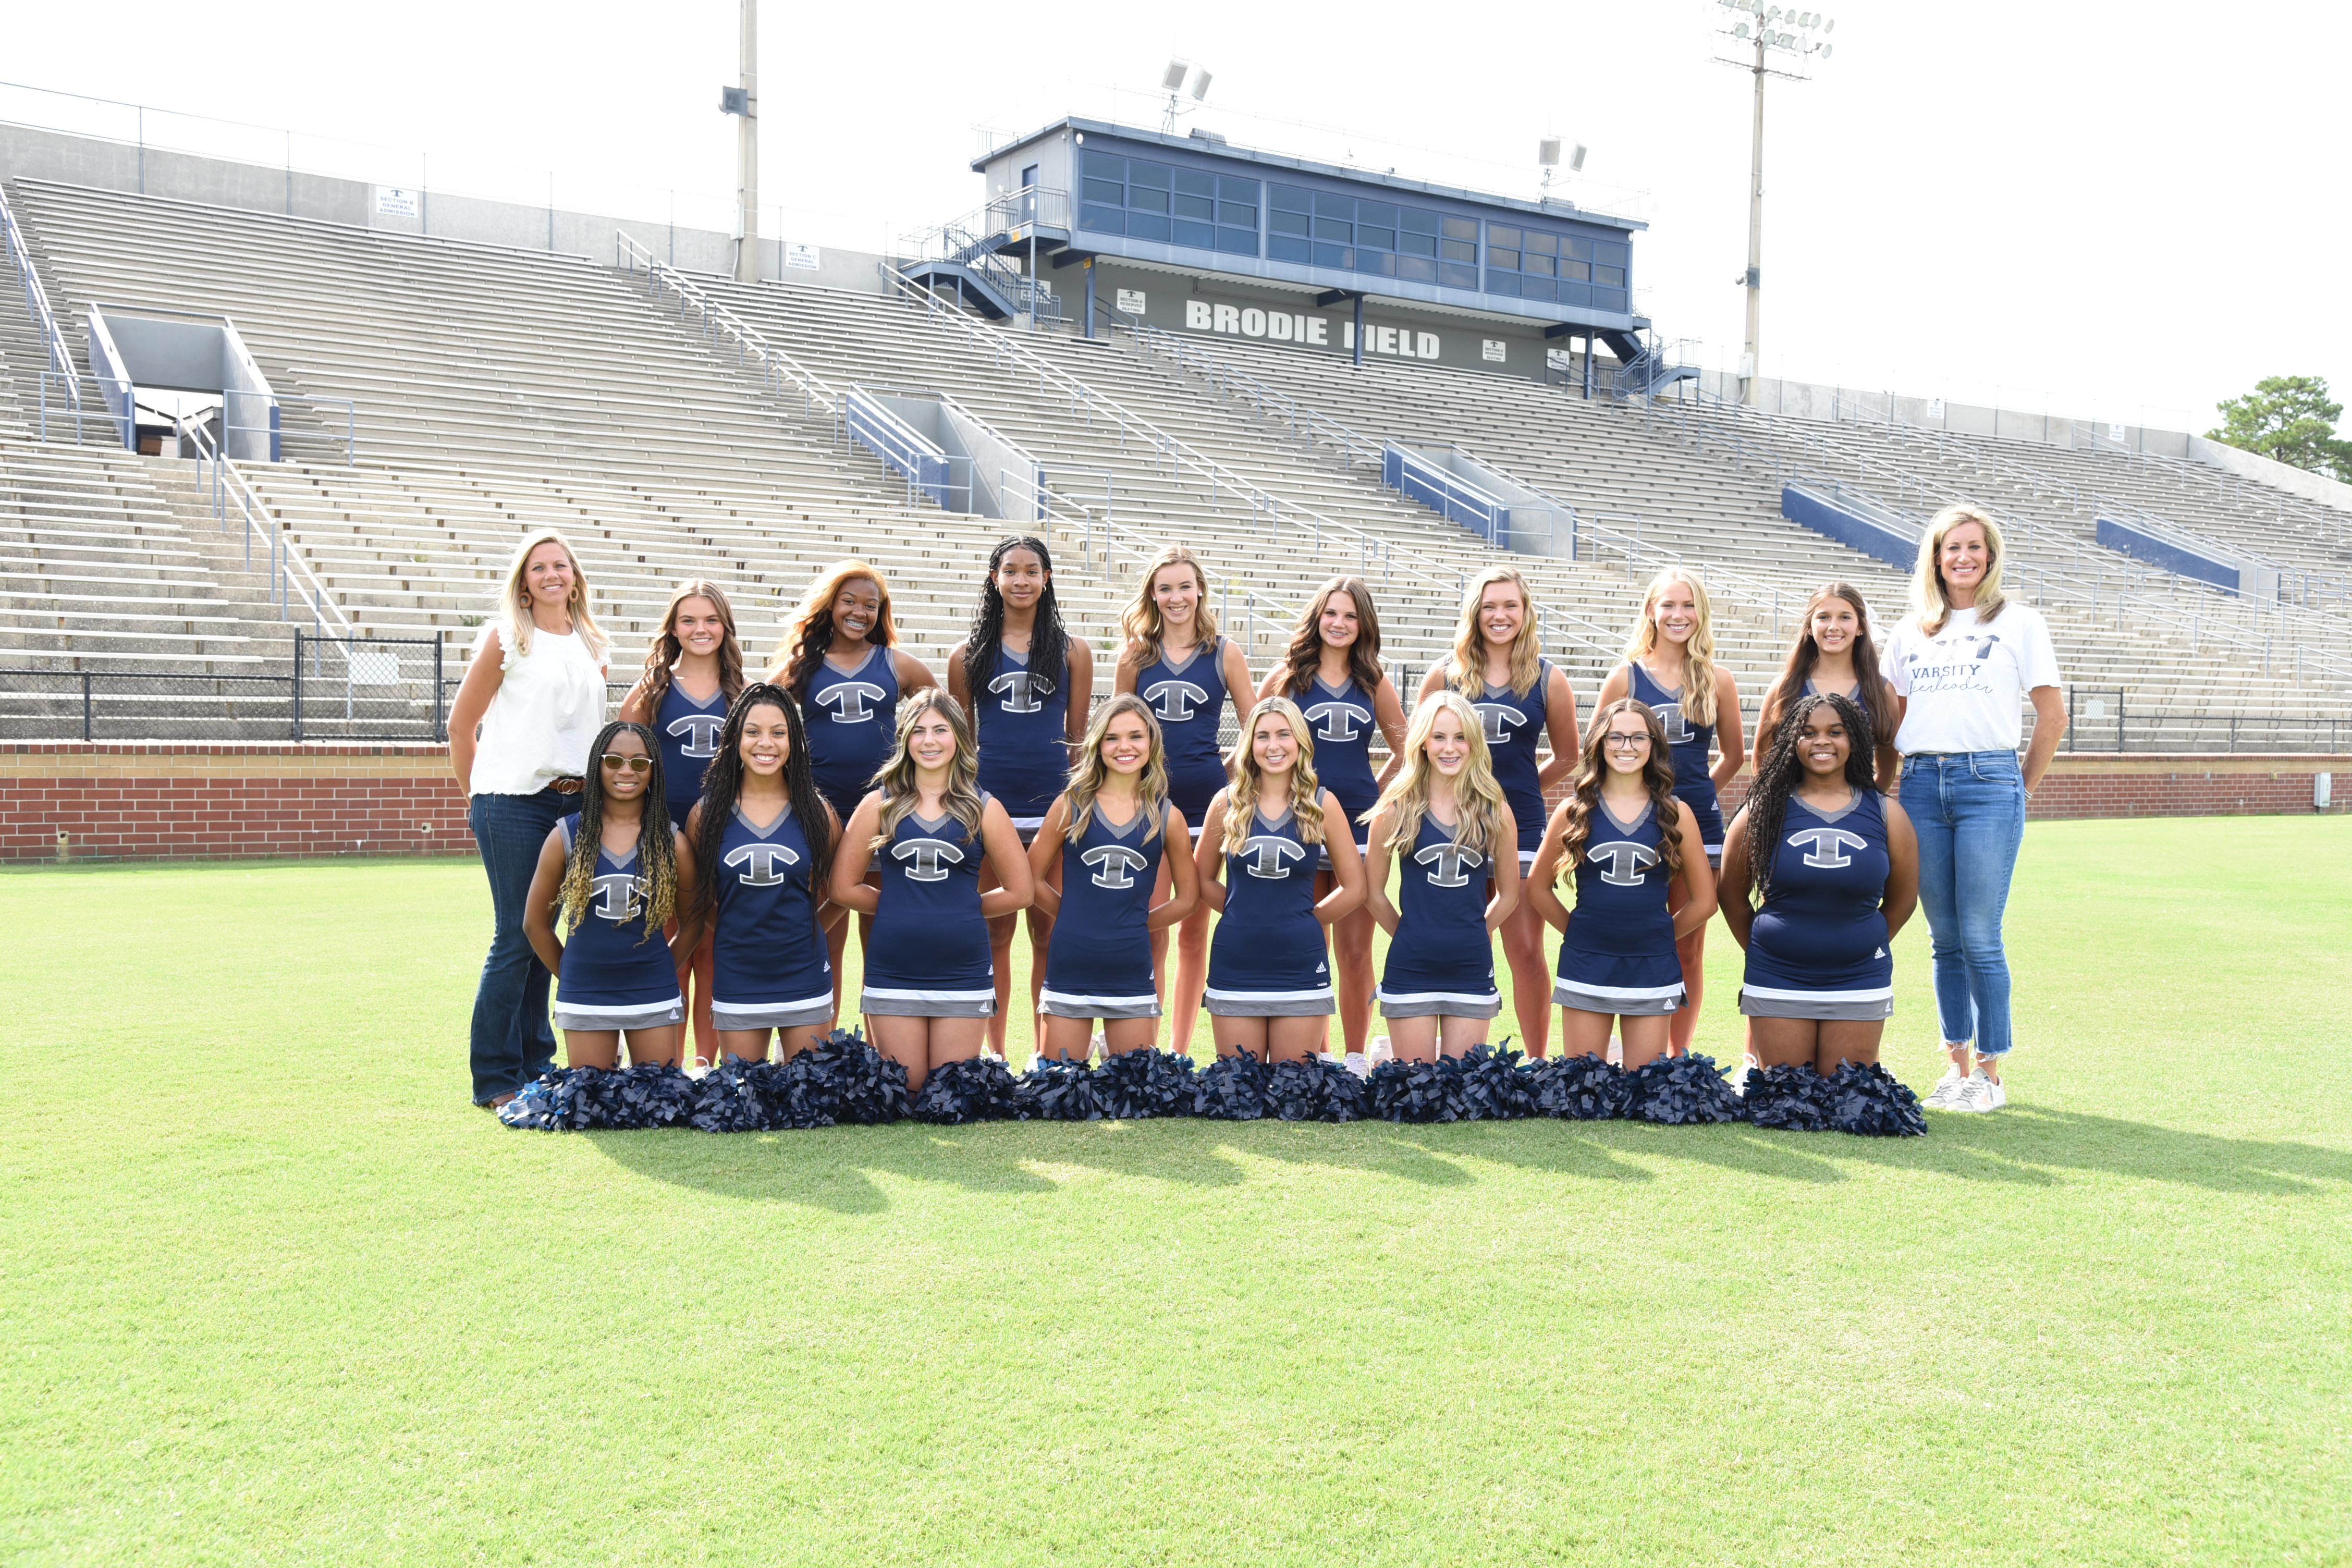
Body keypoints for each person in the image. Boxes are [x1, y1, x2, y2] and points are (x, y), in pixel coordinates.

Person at [1883, 505, 2066, 1112]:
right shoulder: (1911, 630)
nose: (1962, 557)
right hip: (1920, 785)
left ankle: (1990, 1072)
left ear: (1991, 554)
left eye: (1974, 546)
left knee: (1981, 935)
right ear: (1934, 557)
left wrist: (2022, 787)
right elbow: (1893, 719)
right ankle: (1955, 1068)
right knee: (1944, 938)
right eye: (1950, 547)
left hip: (1989, 781)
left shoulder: (2020, 621)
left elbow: (2051, 715)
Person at [447, 528, 610, 1108]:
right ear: (524, 579)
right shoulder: (505, 639)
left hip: (578, 803)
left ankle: (537, 1063)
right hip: (514, 801)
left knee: (547, 934)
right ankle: (495, 1076)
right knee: (516, 935)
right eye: (539, 567)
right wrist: (478, 798)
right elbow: (460, 727)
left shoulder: (592, 643)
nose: (551, 575)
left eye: (561, 565)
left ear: (575, 577)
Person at [828, 691, 1033, 1095]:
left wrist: (964, 909)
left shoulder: (983, 807)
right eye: (918, 731)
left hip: (963, 967)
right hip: (894, 967)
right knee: (908, 1089)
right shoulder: (879, 805)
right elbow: (842, 887)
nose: (929, 741)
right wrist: (893, 907)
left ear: (958, 737)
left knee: (949, 1091)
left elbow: (1021, 891)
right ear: (904, 739)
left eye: (941, 729)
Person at [1418, 567, 1579, 1057]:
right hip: (1453, 828)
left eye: (1510, 605)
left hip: (1525, 828)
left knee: (1525, 948)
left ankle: (1535, 1058)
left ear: (1526, 612)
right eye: (1489, 606)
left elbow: (1569, 756)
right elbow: (1418, 751)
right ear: (1474, 612)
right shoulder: (1444, 674)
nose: (1500, 615)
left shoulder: (1549, 678)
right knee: (1458, 940)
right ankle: (1454, 1055)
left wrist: (1517, 791)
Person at [1719, 694, 1920, 1077]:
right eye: (1808, 732)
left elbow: (1903, 901)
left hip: (1858, 975)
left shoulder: (1887, 813)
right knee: (1786, 1096)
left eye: (1836, 732)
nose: (1822, 741)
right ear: (1791, 742)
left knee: (1849, 1096)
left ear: (1854, 741)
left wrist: (1862, 943)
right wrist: (1770, 947)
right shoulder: (1761, 811)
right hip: (1777, 975)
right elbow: (1731, 897)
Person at [769, 561, 938, 1016]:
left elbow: (942, 724)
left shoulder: (898, 664)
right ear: (830, 604)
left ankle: (876, 1042)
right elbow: (761, 720)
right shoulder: (800, 667)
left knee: (878, 926)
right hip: (818, 812)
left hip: (883, 814)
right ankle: (822, 1039)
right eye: (849, 601)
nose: (859, 612)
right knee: (827, 929)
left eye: (871, 605)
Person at [948, 537, 1093, 1055]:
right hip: (991, 811)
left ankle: (1044, 1053)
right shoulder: (967, 655)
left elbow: (1079, 741)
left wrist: (1078, 808)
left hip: (1054, 809)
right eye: (1011, 570)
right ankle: (992, 1053)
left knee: (1049, 934)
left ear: (1047, 577)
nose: (1022, 580)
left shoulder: (1073, 650)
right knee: (995, 935)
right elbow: (960, 748)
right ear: (995, 579)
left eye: (1032, 570)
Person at [1259, 576, 1408, 1067]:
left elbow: (1408, 752)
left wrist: (1376, 799)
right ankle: (1315, 1052)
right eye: (1331, 614)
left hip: (1359, 830)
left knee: (1354, 949)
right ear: (1316, 618)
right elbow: (1258, 748)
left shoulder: (1374, 681)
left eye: (1350, 616)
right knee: (1308, 942)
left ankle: (1354, 1054)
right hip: (1295, 824)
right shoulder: (1284, 678)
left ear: (1363, 623)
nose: (1340, 624)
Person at [1597, 569, 1744, 1059]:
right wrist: (1638, 805)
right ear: (1651, 612)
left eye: (1689, 606)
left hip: (1697, 828)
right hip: (1631, 827)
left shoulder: (1717, 679)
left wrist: (1685, 804)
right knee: (1627, 929)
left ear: (1700, 613)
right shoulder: (1625, 676)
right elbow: (1596, 751)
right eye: (1668, 605)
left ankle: (1676, 1056)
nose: (1678, 616)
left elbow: (1734, 755)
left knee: (1688, 947)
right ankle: (1629, 1043)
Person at [1526, 699, 1715, 1072]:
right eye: (1616, 737)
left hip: (1652, 966)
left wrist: (1659, 936)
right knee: (1582, 1087)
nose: (1627, 747)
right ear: (1600, 743)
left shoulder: (1677, 813)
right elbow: (1536, 889)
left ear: (1654, 745)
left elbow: (1705, 901)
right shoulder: (1573, 811)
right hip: (1586, 962)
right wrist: (1580, 932)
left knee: (1644, 1089)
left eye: (1638, 738)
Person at [1116, 546, 1253, 1055]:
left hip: (1203, 815)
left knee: (1194, 935)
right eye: (1165, 587)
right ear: (1154, 593)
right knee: (1151, 931)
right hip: (1146, 813)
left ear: (1200, 591)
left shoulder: (1223, 652)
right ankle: (1145, 1047)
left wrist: (1226, 780)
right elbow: (1117, 732)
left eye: (1184, 586)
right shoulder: (1135, 655)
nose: (1176, 597)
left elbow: (1255, 728)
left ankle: (1176, 1049)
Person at [1027, 693, 1199, 1062]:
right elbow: (1031, 878)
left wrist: (1138, 924)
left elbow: (1188, 898)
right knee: (1058, 1086)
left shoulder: (1167, 816)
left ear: (1151, 742)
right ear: (1098, 745)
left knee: (1134, 1088)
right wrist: (1071, 914)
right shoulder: (1072, 804)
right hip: (1071, 961)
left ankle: (1109, 1041)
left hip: (1130, 964)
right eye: (1112, 737)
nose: (1125, 747)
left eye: (1135, 736)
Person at [1193, 699, 1367, 1064]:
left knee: (1296, 1089)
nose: (1273, 746)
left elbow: (1355, 888)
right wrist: (1243, 913)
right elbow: (1201, 880)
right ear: (1249, 745)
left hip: (1300, 961)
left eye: (1284, 734)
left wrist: (1306, 920)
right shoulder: (1226, 804)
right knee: (1239, 1089)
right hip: (1236, 959)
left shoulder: (1322, 804)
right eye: (1263, 736)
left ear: (1301, 741)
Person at [619, 579, 745, 1069]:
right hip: (662, 838)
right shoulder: (651, 691)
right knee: (669, 947)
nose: (701, 629)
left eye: (711, 619)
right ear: (673, 627)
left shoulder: (741, 691)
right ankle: (664, 1062)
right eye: (689, 619)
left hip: (722, 837)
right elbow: (624, 769)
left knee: (713, 949)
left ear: (725, 626)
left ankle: (704, 1061)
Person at [520, 720, 694, 1070]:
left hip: (652, 990)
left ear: (653, 771)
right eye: (614, 761)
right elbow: (534, 925)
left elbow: (693, 923)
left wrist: (660, 968)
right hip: (586, 991)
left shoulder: (672, 841)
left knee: (658, 1100)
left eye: (640, 763)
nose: (626, 771)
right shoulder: (566, 837)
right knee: (591, 1100)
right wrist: (571, 974)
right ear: (597, 767)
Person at [682, 683, 840, 1063]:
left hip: (804, 971)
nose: (765, 743)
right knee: (742, 1103)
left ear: (794, 741)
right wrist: (741, 932)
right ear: (735, 738)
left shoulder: (819, 813)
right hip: (739, 973)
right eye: (753, 732)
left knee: (807, 1102)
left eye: (778, 733)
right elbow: (700, 901)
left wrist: (806, 928)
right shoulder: (706, 815)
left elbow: (839, 894)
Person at [1363, 691, 1518, 1062]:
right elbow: (1372, 893)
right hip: (1410, 963)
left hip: (1471, 963)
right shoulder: (1395, 809)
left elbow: (1509, 895)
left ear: (1474, 744)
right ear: (1422, 743)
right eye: (1439, 737)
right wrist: (1407, 932)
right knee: (1415, 1088)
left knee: (1461, 1091)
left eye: (1461, 737)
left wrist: (1477, 931)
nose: (1450, 748)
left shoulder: (1494, 811)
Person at [1756, 582, 1904, 792]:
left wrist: (1865, 806)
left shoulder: (1881, 690)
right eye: (1824, 617)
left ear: (1861, 627)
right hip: (1793, 815)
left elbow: (1886, 769)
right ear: (1809, 626)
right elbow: (1761, 763)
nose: (1833, 626)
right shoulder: (1784, 686)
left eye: (1845, 617)